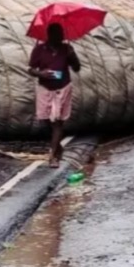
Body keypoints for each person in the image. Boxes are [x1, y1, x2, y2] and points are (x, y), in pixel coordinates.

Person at [29, 23, 81, 168]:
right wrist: (41, 73)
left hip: (62, 87)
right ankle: (58, 146)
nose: (61, 37)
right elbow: (31, 69)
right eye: (57, 34)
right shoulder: (40, 49)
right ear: (50, 35)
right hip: (45, 87)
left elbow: (77, 68)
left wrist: (72, 56)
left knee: (57, 121)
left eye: (61, 34)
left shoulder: (66, 49)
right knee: (45, 119)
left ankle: (53, 156)